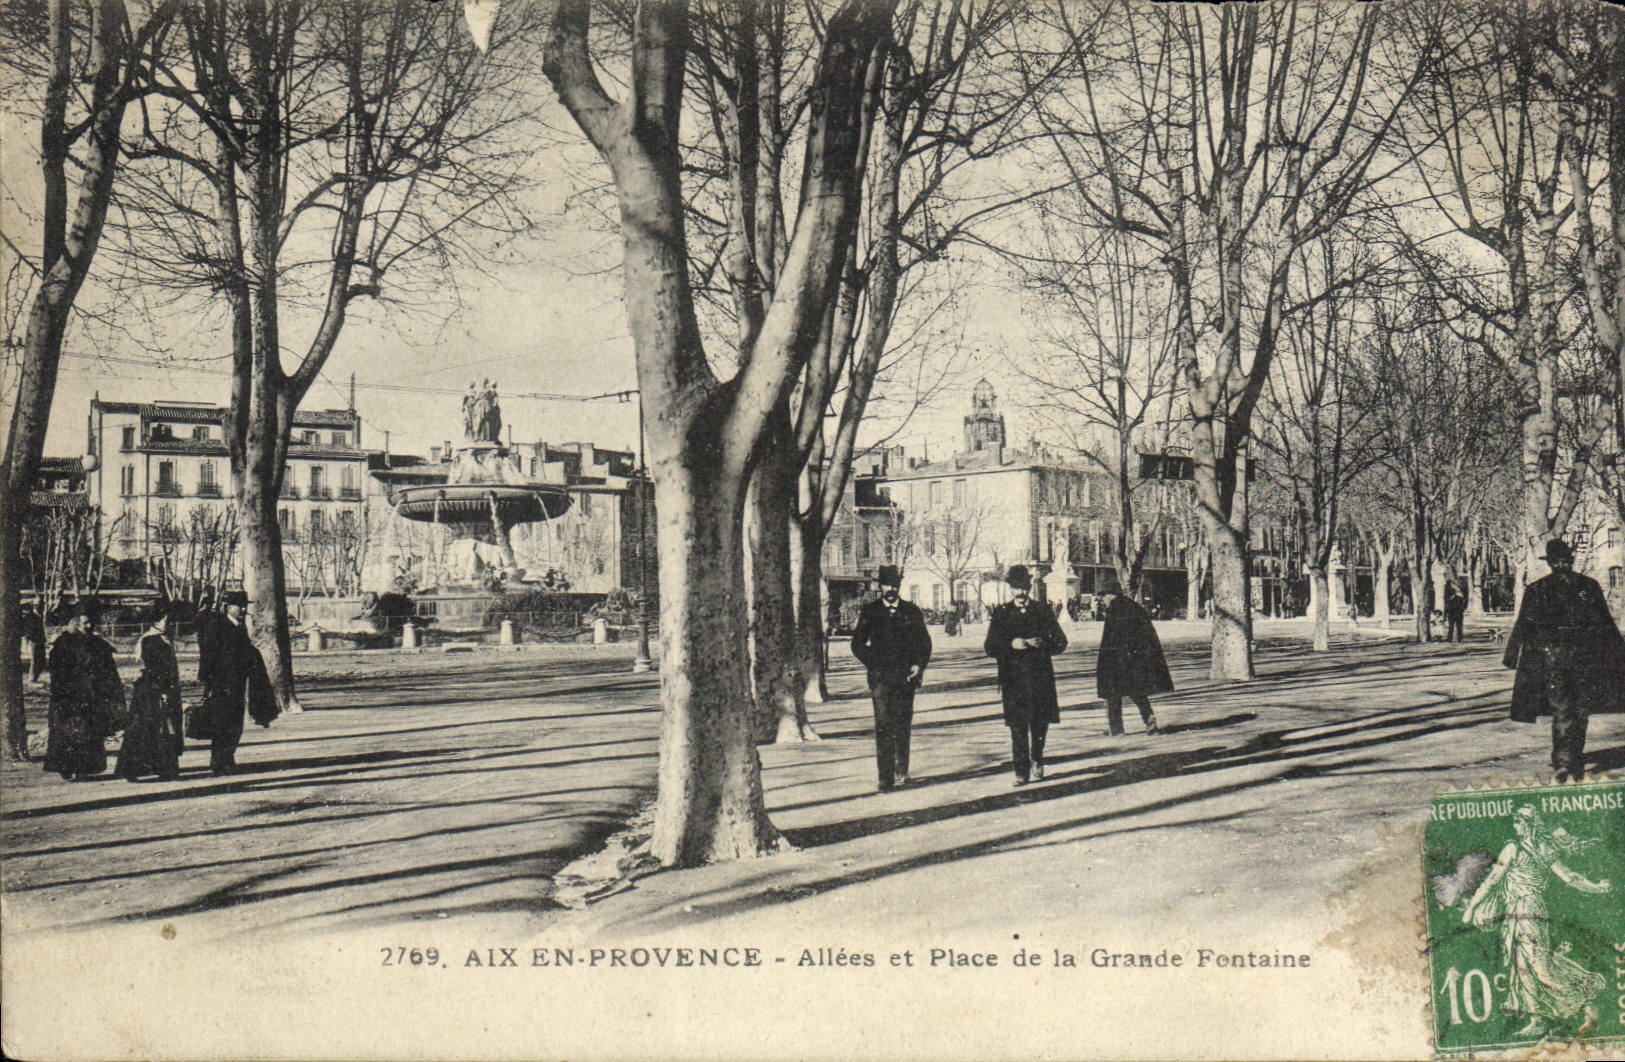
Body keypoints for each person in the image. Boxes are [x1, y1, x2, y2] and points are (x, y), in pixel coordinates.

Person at [1460, 806, 1610, 1037]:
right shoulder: (1512, 848)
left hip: (1531, 910)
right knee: (1522, 967)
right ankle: (1538, 1017)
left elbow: (1569, 877)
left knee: (1541, 969)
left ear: (1530, 825)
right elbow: (1492, 880)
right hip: (1512, 912)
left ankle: (1588, 1003)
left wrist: (1596, 888)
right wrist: (1472, 907)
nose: (1515, 827)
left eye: (1519, 823)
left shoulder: (1542, 849)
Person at [1503, 539, 1625, 781]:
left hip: (1553, 658)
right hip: (1584, 657)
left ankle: (1564, 761)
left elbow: (1524, 625)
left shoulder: (1537, 589)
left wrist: (1512, 654)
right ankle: (1572, 759)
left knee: (1562, 708)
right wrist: (1619, 652)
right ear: (1569, 560)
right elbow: (1605, 623)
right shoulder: (1589, 586)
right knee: (1580, 708)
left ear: (1549, 562)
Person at [984, 566, 1068, 786]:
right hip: (1013, 681)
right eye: (1016, 588)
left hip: (1040, 678)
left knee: (1040, 724)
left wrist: (1043, 643)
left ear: (1029, 588)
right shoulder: (1001, 613)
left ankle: (1037, 757)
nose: (1020, 593)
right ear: (1010, 589)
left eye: (1024, 588)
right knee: (1017, 726)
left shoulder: (1043, 611)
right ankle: (1021, 771)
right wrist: (1011, 644)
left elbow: (1061, 642)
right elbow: (990, 646)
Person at [850, 566, 932, 791]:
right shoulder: (871, 612)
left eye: (895, 585)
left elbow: (924, 643)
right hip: (881, 679)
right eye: (887, 585)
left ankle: (902, 770)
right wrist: (873, 662)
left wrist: (918, 665)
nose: (891, 589)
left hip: (906, 678)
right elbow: (857, 644)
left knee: (903, 723)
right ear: (880, 586)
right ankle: (885, 777)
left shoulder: (911, 612)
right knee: (884, 724)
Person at [43, 598, 124, 781]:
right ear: (76, 623)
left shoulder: (98, 644)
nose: (89, 626)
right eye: (84, 622)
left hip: (91, 696)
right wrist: (64, 636)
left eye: (91, 622)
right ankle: (66, 767)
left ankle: (83, 769)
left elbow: (109, 671)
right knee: (69, 734)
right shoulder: (64, 643)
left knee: (88, 734)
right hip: (69, 696)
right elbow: (55, 666)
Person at [201, 590, 279, 776]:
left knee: (235, 723)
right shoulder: (218, 626)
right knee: (223, 724)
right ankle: (219, 761)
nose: (244, 609)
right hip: (222, 686)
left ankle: (228, 757)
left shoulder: (239, 626)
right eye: (240, 606)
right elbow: (210, 656)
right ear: (228, 607)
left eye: (245, 606)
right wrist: (210, 683)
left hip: (237, 685)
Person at [116, 601, 183, 782]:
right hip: (152, 689)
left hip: (165, 688)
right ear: (158, 620)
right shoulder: (149, 640)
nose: (169, 623)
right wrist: (162, 690)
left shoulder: (165, 638)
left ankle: (166, 767)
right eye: (166, 620)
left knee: (166, 729)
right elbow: (153, 668)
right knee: (147, 728)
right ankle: (135, 768)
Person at [1098, 589, 1173, 736]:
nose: (1103, 601)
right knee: (1137, 692)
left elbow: (1111, 638)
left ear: (1110, 595)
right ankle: (1150, 721)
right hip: (1136, 658)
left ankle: (1116, 729)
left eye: (1103, 598)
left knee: (1112, 694)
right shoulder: (1136, 606)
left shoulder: (1113, 609)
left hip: (1117, 659)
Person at [20, 605, 46, 685]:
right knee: (35, 660)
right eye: (36, 605)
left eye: (39, 605)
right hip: (35, 641)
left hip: (41, 640)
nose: (38, 607)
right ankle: (32, 679)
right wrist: (29, 638)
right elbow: (28, 629)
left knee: (41, 660)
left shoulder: (39, 615)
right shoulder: (30, 617)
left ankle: (35, 677)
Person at [1444, 579, 1467, 643]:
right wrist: (1445, 615)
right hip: (1451, 616)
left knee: (1459, 628)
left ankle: (1459, 639)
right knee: (1450, 628)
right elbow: (1446, 608)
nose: (1450, 596)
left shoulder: (1459, 599)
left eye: (1451, 595)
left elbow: (1462, 607)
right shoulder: (1448, 600)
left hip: (1458, 615)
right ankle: (1449, 639)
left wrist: (1458, 612)